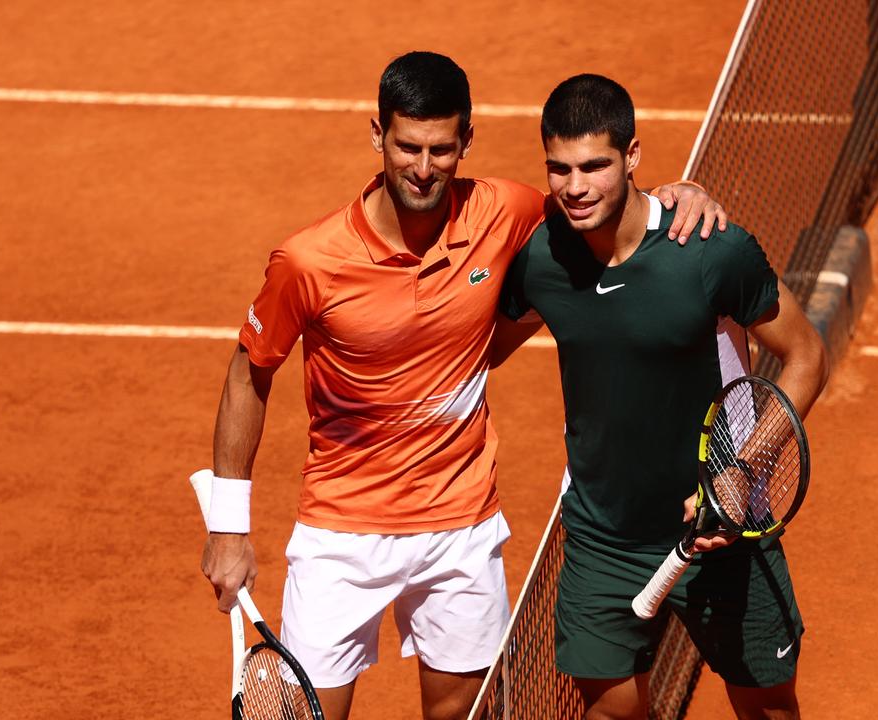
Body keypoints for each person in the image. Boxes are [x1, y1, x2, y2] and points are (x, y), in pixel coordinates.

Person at [196, 52, 729, 720]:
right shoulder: (309, 262)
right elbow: (250, 373)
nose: (423, 168)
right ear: (377, 136)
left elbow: (603, 210)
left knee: (465, 715)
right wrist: (227, 528)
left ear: (466, 144)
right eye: (407, 147)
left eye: (441, 150)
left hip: (461, 526)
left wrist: (681, 193)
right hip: (342, 531)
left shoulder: (503, 211)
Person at [491, 74, 828, 720]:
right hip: (601, 535)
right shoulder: (544, 260)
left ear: (633, 157)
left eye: (594, 165)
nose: (576, 187)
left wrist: (741, 471)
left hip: (725, 530)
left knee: (767, 708)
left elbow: (807, 356)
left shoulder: (708, 251)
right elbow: (480, 349)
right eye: (559, 169)